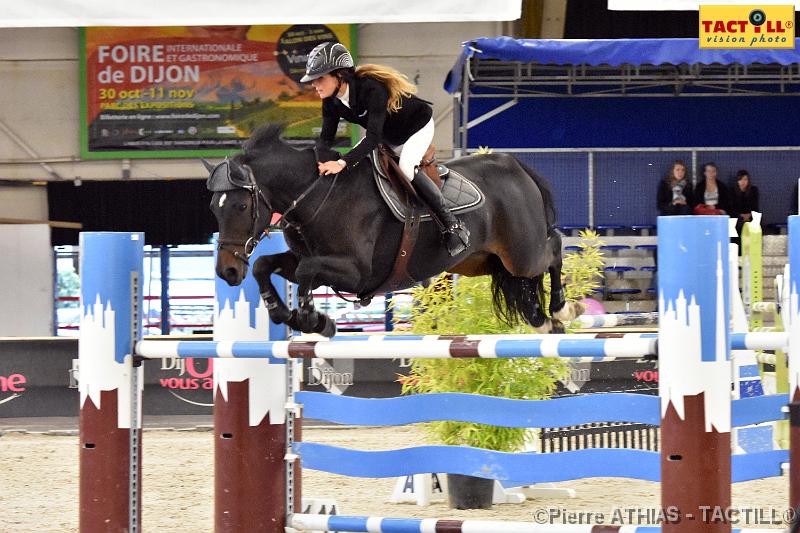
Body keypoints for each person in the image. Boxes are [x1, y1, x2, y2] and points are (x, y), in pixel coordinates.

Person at [301, 41, 469, 256]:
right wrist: (314, 162)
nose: (314, 84)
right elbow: (325, 139)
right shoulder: (331, 101)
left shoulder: (371, 88)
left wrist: (342, 162)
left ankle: (452, 225)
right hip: (386, 134)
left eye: (320, 78)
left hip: (416, 126)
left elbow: (372, 138)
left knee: (407, 166)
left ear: (340, 75)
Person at [730, 169, 759, 237]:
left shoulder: (753, 190)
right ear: (737, 181)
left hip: (751, 216)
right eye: (740, 179)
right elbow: (731, 208)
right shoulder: (732, 191)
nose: (743, 182)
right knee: (737, 224)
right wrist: (741, 215)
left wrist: (749, 215)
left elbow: (755, 207)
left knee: (757, 222)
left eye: (745, 179)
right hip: (737, 217)